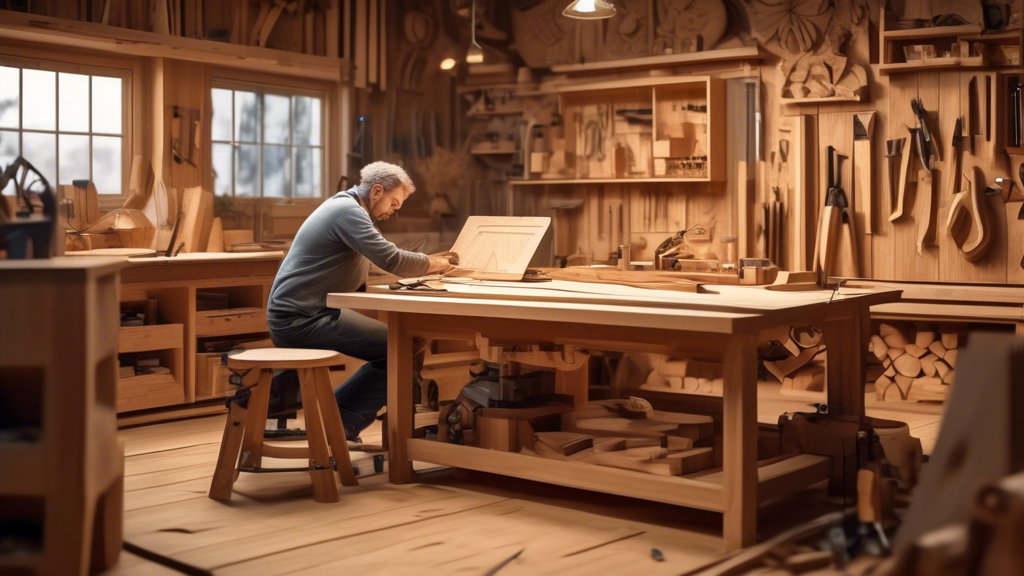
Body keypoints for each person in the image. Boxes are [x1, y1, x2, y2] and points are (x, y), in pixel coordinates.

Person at [265, 161, 454, 441]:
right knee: (407, 345)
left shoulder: (352, 209)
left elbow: (377, 261)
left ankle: (335, 418)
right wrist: (437, 263)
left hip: (313, 311)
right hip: (300, 319)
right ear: (377, 191)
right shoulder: (348, 212)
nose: (394, 210)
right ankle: (340, 422)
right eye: (394, 202)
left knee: (402, 344)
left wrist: (419, 270)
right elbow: (392, 258)